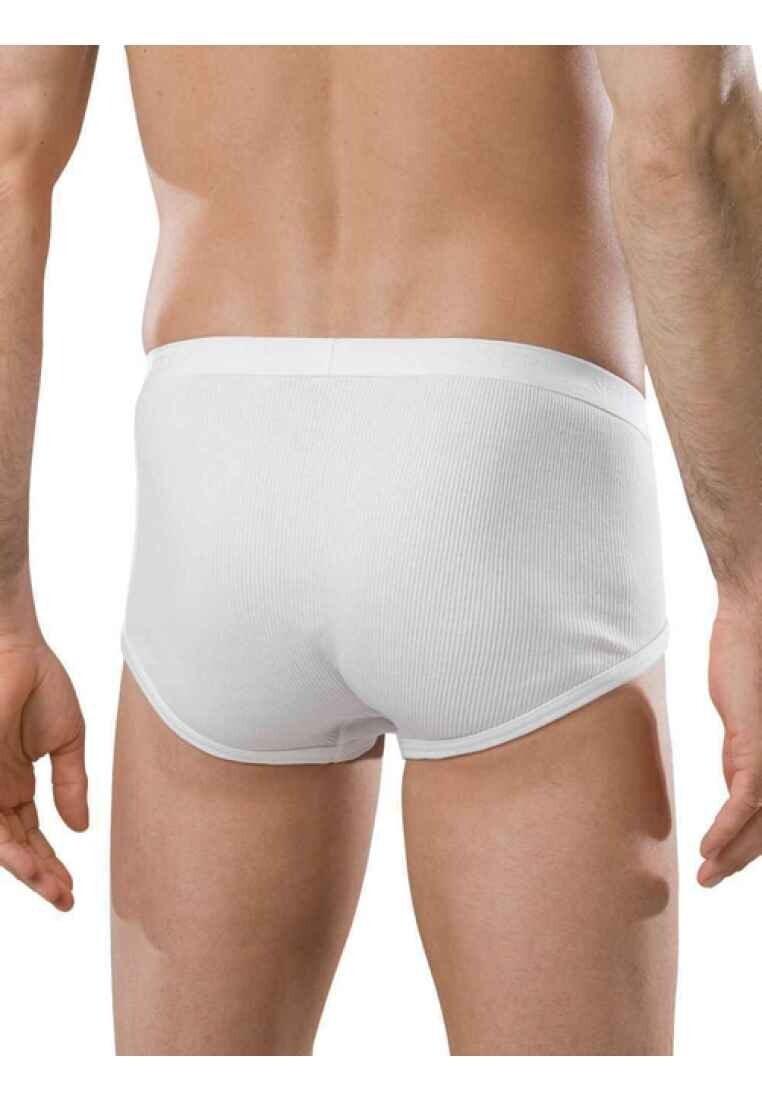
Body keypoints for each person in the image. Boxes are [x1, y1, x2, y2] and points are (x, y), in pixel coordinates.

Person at [0, 45, 760, 1056]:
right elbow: (685, 138)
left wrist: (2, 613)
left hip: (216, 456)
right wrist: (752, 582)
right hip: (507, 453)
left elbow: (8, 153)